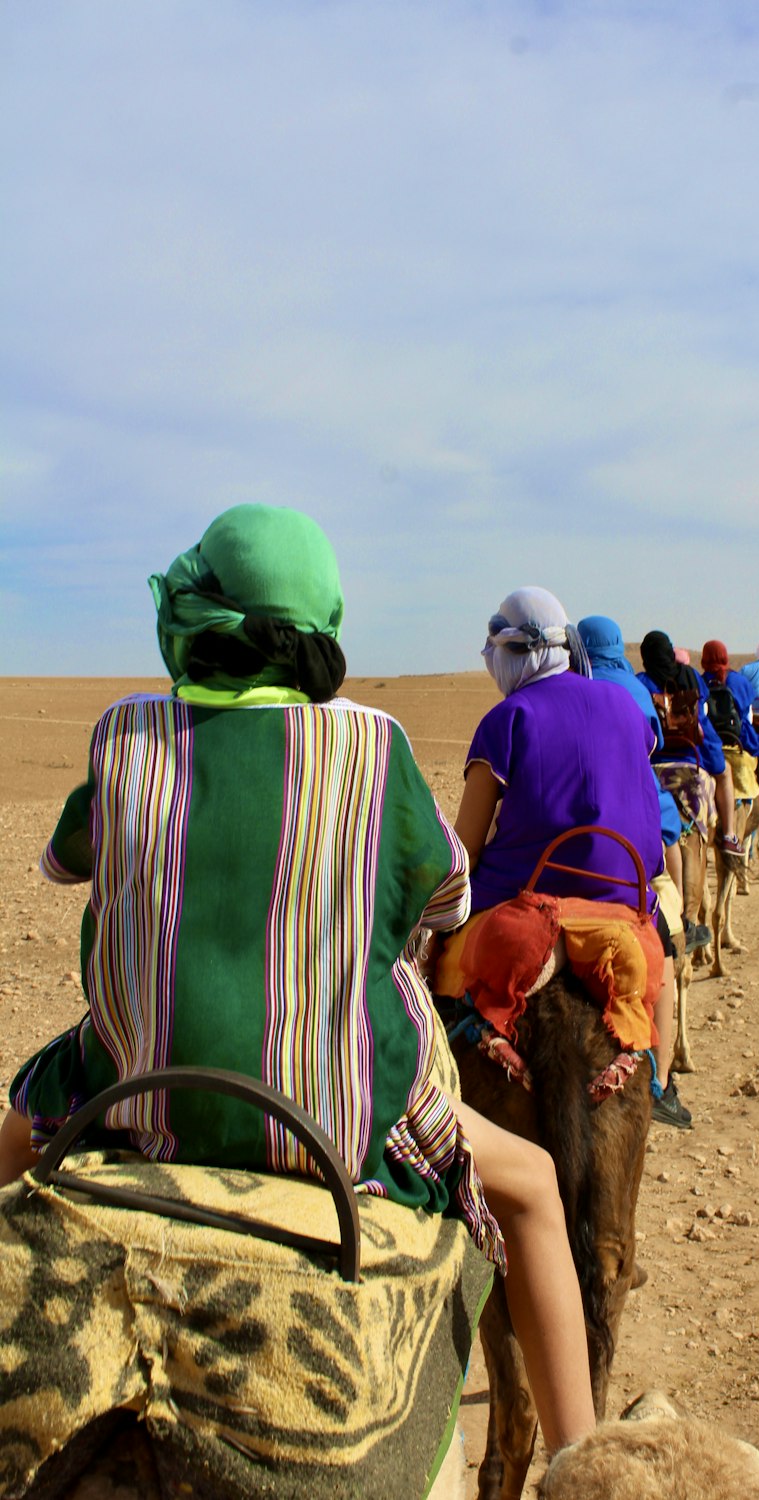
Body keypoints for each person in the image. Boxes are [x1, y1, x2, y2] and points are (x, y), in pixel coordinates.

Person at [0, 505, 596, 1456]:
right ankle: (579, 1460)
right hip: (345, 1122)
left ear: (194, 614)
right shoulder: (376, 745)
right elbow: (447, 894)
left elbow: (66, 862)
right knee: (529, 1188)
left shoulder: (122, 736)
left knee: (13, 1138)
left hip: (129, 1095)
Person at [452, 589, 691, 1130]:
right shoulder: (629, 711)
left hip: (518, 906)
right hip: (623, 904)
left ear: (511, 652)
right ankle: (657, 1081)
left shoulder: (505, 719)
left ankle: (424, 1102)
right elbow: (645, 823)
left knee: (425, 976)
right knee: (667, 966)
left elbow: (463, 850)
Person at [576, 614, 710, 955]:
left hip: (582, 780)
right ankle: (681, 917)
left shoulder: (576, 681)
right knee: (670, 828)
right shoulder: (634, 685)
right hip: (636, 775)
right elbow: (655, 741)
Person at [636, 631, 746, 865]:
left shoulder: (641, 682)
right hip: (691, 750)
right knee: (724, 772)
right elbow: (702, 714)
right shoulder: (690, 676)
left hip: (655, 756)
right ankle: (729, 835)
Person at [699, 638, 759, 814]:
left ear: (704, 660)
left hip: (709, 742)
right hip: (738, 739)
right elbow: (748, 717)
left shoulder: (698, 682)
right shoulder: (738, 681)